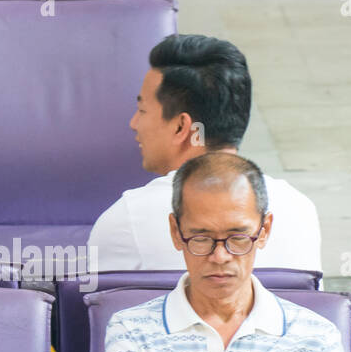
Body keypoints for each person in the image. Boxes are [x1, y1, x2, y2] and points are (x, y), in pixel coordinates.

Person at [101, 152, 349, 352]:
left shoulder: (316, 335)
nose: (220, 256)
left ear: (264, 230)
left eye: (238, 238)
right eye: (201, 238)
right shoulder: (131, 329)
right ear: (176, 232)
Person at [88, 34, 322, 272]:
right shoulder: (299, 210)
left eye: (142, 110)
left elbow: (97, 307)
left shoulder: (126, 221)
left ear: (181, 127)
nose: (134, 123)